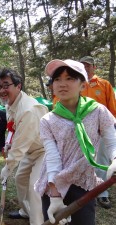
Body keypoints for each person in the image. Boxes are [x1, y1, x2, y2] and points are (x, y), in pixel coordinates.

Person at [34, 59, 116, 225]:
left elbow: (112, 141)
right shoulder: (48, 120)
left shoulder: (98, 111)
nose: (62, 84)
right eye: (57, 79)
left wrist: (115, 159)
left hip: (82, 181)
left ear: (83, 85)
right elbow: (52, 157)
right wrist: (55, 195)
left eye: (70, 78)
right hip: (53, 183)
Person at [0, 68, 48, 225]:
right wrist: (8, 144)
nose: (2, 90)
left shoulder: (28, 109)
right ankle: (26, 211)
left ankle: (37, 221)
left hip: (44, 151)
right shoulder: (10, 105)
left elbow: (20, 146)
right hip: (30, 151)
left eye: (6, 85)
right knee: (20, 179)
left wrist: (8, 167)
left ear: (18, 86)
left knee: (34, 186)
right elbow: (15, 130)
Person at [80, 56, 116, 209]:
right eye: (83, 66)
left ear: (94, 67)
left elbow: (112, 108)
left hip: (101, 130)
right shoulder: (77, 84)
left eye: (88, 65)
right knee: (83, 160)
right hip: (81, 130)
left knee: (101, 161)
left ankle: (102, 194)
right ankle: (85, 191)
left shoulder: (104, 84)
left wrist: (111, 127)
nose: (86, 68)